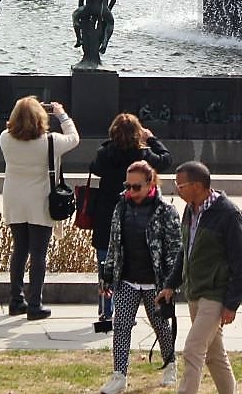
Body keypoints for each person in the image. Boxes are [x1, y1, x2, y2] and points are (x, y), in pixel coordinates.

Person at [159, 160, 242, 394]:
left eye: (181, 185)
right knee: (214, 355)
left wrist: (231, 304)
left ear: (198, 185)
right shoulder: (191, 209)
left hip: (215, 294)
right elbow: (184, 251)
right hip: (195, 293)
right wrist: (171, 284)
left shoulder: (228, 213)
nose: (176, 189)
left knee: (193, 349)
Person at [98, 161, 180, 393]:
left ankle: (170, 363)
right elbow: (114, 244)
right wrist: (106, 276)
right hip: (127, 279)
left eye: (136, 187)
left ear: (150, 183)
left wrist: (171, 284)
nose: (130, 191)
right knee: (121, 325)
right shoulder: (121, 207)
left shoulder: (166, 210)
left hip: (156, 281)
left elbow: (175, 250)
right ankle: (119, 374)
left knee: (161, 325)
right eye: (127, 186)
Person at [91, 115, 175, 330]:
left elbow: (95, 167)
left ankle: (105, 312)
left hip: (106, 217)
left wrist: (109, 143)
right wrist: (152, 138)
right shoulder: (144, 155)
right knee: (128, 265)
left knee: (105, 263)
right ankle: (123, 311)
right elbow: (166, 159)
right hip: (134, 219)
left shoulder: (105, 153)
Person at [0, 97, 79, 319]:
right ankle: (35, 304)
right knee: (38, 254)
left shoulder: (5, 138)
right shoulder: (51, 142)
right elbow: (74, 137)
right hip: (40, 201)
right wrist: (61, 113)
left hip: (15, 199)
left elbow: (13, 128)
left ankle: (16, 300)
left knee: (19, 250)